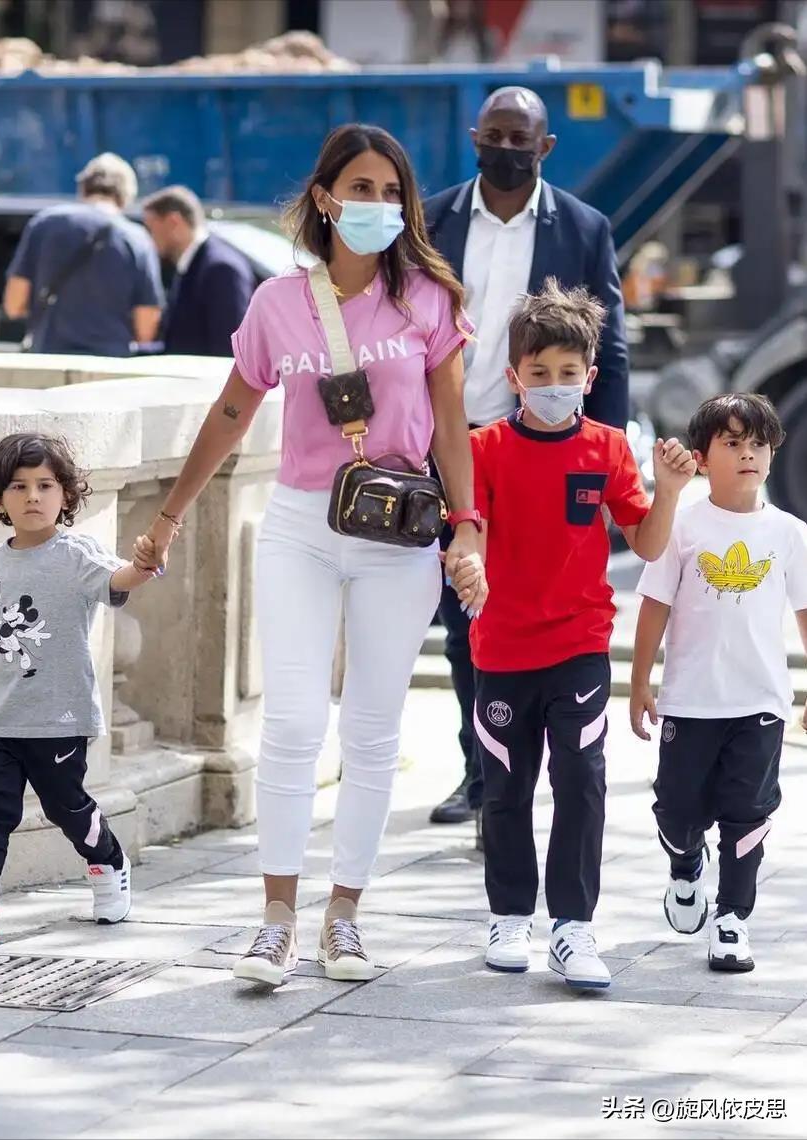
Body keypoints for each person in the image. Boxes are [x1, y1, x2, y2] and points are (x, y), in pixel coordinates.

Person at [133, 123, 486, 987]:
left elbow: (450, 423)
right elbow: (232, 411)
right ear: (326, 198)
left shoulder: (429, 300)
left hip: (397, 535)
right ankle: (276, 920)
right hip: (300, 526)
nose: (379, 206)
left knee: (372, 730)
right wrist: (170, 516)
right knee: (293, 725)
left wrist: (468, 526)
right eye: (361, 189)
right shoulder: (276, 303)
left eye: (392, 192)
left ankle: (346, 916)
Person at [452, 279, 695, 989]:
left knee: (583, 782)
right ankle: (508, 916)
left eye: (568, 373)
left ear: (590, 377)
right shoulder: (483, 448)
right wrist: (469, 565)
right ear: (513, 376)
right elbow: (471, 533)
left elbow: (646, 544)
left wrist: (669, 491)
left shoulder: (609, 448)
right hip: (502, 648)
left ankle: (573, 928)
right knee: (505, 787)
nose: (554, 386)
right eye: (539, 373)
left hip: (581, 645)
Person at [424, 86, 630, 829]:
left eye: (521, 139)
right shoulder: (433, 221)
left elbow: (609, 348)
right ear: (475, 136)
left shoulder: (583, 227)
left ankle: (515, 769)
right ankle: (481, 774)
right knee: (464, 612)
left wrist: (604, 457)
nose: (506, 148)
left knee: (532, 603)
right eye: (495, 135)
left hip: (543, 447)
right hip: (452, 443)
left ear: (545, 148)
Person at [0, 433, 157, 947]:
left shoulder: (75, 554)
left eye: (45, 485)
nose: (32, 496)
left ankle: (108, 861)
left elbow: (119, 579)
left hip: (59, 717)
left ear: (66, 494)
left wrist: (144, 564)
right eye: (18, 486)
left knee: (64, 807)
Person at [630, 394, 807, 973]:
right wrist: (639, 683)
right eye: (732, 443)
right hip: (690, 702)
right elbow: (654, 606)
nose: (748, 454)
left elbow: (805, 614)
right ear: (703, 458)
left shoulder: (790, 533)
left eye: (758, 443)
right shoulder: (681, 527)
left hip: (761, 702)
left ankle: (732, 918)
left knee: (748, 813)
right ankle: (686, 865)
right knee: (676, 812)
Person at [2, 153, 164, 356]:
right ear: (126, 195)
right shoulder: (138, 239)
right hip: (110, 364)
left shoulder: (45, 223)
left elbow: (14, 304)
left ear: (83, 188)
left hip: (49, 360)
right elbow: (146, 326)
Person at [141, 185, 256, 357]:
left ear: (173, 221)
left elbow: (228, 349)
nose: (149, 238)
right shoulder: (193, 264)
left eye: (151, 228)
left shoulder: (220, 268)